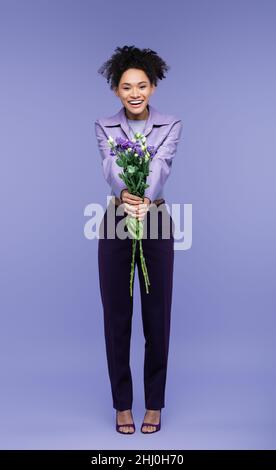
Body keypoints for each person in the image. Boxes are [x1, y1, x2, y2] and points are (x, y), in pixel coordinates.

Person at [94, 45, 183, 434]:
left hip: (156, 216)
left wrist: (144, 197)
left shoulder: (171, 124)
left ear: (153, 87)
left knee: (157, 316)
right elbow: (111, 165)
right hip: (116, 217)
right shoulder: (104, 125)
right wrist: (126, 195)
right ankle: (121, 403)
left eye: (142, 86)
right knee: (117, 317)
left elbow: (161, 165)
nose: (135, 93)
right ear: (116, 89)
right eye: (127, 86)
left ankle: (155, 402)